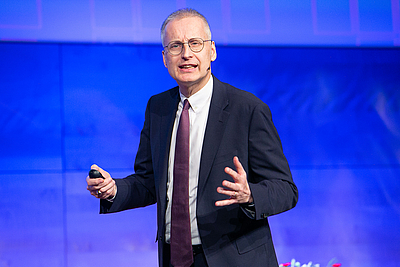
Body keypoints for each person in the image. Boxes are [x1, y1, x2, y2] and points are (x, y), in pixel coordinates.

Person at [86, 8, 298, 267]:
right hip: (175, 258)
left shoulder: (247, 109)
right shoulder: (158, 108)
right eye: (176, 46)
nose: (186, 54)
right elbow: (150, 182)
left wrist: (249, 194)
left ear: (212, 51)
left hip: (234, 259)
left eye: (195, 43)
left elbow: (286, 190)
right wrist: (114, 190)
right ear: (165, 58)